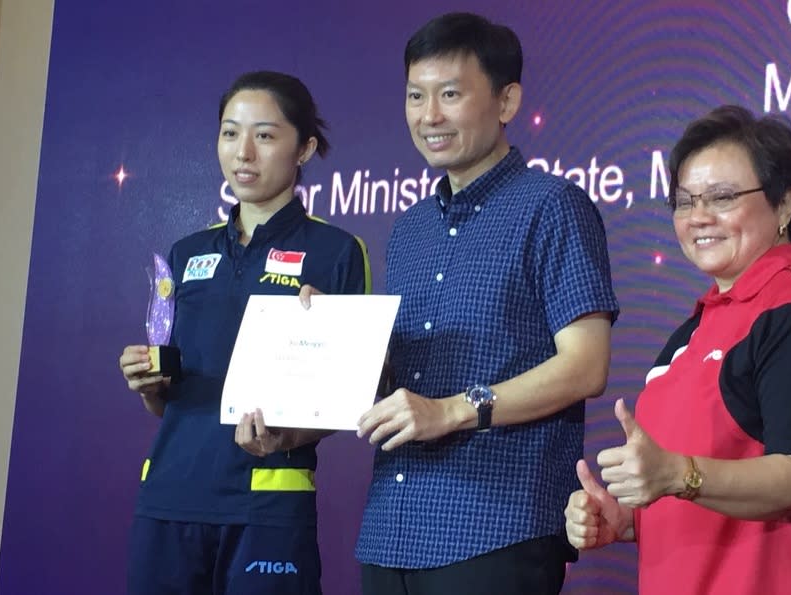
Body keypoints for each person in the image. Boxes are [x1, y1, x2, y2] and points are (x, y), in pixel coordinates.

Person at [352, 12, 619, 595]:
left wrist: (452, 410)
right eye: (415, 96)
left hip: (497, 528)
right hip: (391, 529)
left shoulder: (553, 207)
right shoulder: (410, 230)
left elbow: (586, 365)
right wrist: (337, 346)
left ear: (506, 101)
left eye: (450, 94)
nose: (429, 116)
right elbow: (403, 381)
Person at [564, 105, 791, 594]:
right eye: (685, 201)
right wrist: (625, 519)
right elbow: (689, 490)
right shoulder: (690, 333)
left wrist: (676, 475)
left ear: (784, 205)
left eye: (723, 197)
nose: (699, 217)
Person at [118, 70, 370, 595]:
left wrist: (286, 437)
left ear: (305, 149)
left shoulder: (338, 251)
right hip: (169, 497)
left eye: (265, 135)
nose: (243, 153)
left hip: (268, 502)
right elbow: (172, 402)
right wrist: (148, 384)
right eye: (230, 133)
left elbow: (346, 400)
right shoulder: (187, 253)